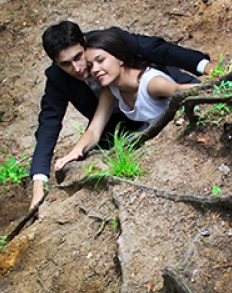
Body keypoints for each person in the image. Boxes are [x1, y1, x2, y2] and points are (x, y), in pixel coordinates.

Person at [30, 21, 213, 208]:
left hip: (164, 100)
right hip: (119, 125)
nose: (77, 68)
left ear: (84, 43)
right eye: (66, 64)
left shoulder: (110, 45)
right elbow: (49, 123)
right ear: (56, 63)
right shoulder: (89, 86)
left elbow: (160, 49)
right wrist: (39, 184)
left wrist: (209, 69)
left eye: (78, 57)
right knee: (87, 165)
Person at [54, 28, 197, 174]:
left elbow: (186, 90)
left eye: (101, 60)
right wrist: (75, 151)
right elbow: (94, 129)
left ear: (120, 57)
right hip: (156, 138)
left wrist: (218, 80)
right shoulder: (111, 89)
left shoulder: (151, 83)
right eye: (90, 66)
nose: (95, 70)